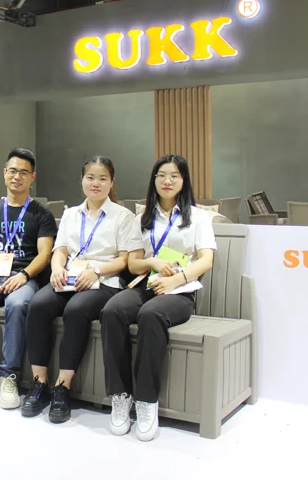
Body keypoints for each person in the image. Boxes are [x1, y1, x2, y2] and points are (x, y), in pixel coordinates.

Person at [100, 154, 216, 441]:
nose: (167, 181)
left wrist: (177, 279)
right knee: (112, 310)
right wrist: (151, 262)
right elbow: (133, 264)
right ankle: (120, 394)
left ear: (183, 180)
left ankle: (146, 399)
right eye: (161, 175)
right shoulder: (142, 218)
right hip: (146, 284)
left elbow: (206, 260)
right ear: (154, 180)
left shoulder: (198, 217)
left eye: (174, 175)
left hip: (180, 291)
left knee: (150, 315)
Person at [21, 156, 142, 423]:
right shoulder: (71, 214)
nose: (95, 183)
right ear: (82, 180)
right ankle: (39, 382)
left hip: (104, 282)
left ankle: (62, 387)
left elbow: (124, 259)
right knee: (38, 305)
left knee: (76, 310)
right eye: (90, 177)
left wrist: (96, 271)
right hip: (69, 278)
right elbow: (60, 249)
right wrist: (56, 268)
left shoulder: (123, 216)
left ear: (111, 182)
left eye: (102, 178)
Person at [0, 148, 57, 409]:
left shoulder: (41, 214)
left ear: (32, 177)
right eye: (13, 171)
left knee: (17, 304)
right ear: (5, 173)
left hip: (23, 278)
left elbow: (45, 254)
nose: (17, 177)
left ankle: (9, 376)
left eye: (24, 172)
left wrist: (24, 275)